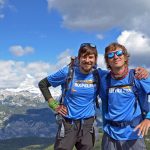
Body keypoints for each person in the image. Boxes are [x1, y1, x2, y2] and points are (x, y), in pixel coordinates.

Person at [38, 43, 148, 150]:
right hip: (75, 125)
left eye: (90, 57)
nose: (87, 60)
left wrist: (148, 118)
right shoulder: (73, 72)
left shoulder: (104, 75)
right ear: (79, 58)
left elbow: (122, 73)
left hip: (96, 127)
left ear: (95, 60)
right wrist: (53, 103)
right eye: (110, 55)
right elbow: (43, 84)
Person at [99, 42, 150, 150]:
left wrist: (148, 118)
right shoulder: (104, 79)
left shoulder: (138, 76)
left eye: (119, 53)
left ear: (125, 57)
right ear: (107, 61)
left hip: (133, 135)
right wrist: (74, 61)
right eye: (110, 55)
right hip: (110, 135)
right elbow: (87, 66)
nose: (115, 57)